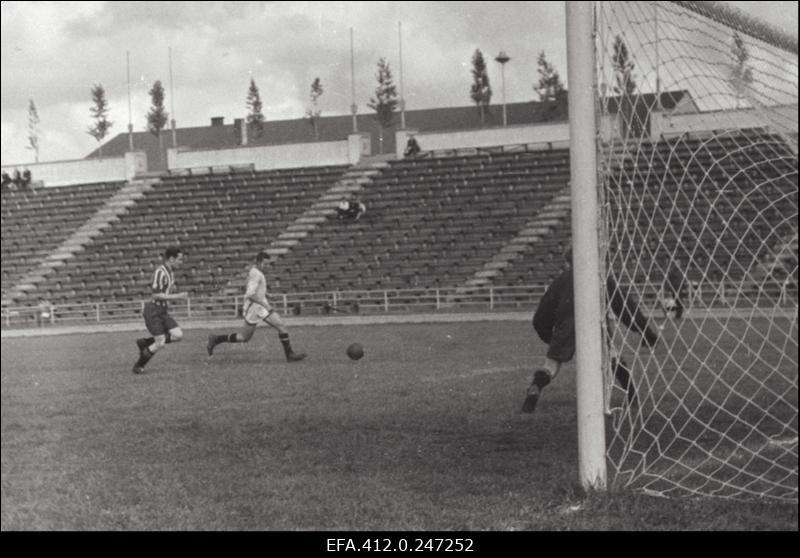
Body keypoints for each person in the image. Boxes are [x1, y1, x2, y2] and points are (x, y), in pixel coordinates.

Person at [522, 247, 659, 414]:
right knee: (613, 359)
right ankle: (631, 395)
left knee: (551, 366)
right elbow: (625, 307)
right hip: (595, 326)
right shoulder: (601, 278)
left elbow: (541, 315)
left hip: (565, 328)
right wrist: (645, 330)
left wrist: (550, 337)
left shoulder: (561, 280)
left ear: (568, 261)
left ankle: (536, 387)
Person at [207, 251, 306, 362]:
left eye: (269, 264)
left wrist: (268, 295)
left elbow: (253, 289)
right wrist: (265, 305)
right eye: (265, 263)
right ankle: (216, 339)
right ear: (258, 262)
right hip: (255, 308)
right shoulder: (256, 274)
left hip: (259, 306)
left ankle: (290, 355)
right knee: (244, 337)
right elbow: (250, 295)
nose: (268, 266)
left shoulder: (256, 272)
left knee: (280, 325)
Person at [132, 246, 188, 374]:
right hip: (153, 310)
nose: (181, 262)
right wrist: (177, 296)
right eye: (180, 259)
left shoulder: (171, 272)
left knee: (178, 335)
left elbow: (165, 291)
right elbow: (156, 295)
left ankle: (145, 342)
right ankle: (139, 365)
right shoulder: (160, 272)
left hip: (162, 311)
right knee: (160, 342)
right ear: (172, 259)